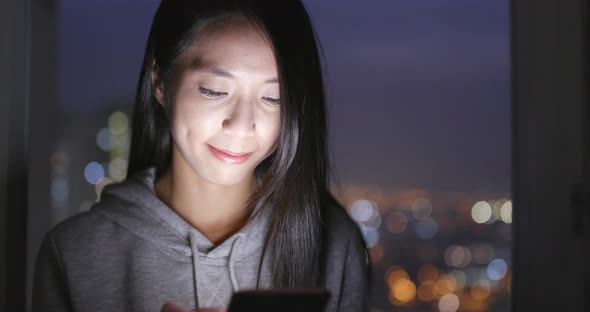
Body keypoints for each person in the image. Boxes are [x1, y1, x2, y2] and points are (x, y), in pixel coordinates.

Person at [32, 0, 370, 311]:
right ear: (159, 81)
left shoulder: (332, 244)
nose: (241, 126)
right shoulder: (76, 253)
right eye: (214, 91)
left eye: (273, 98)